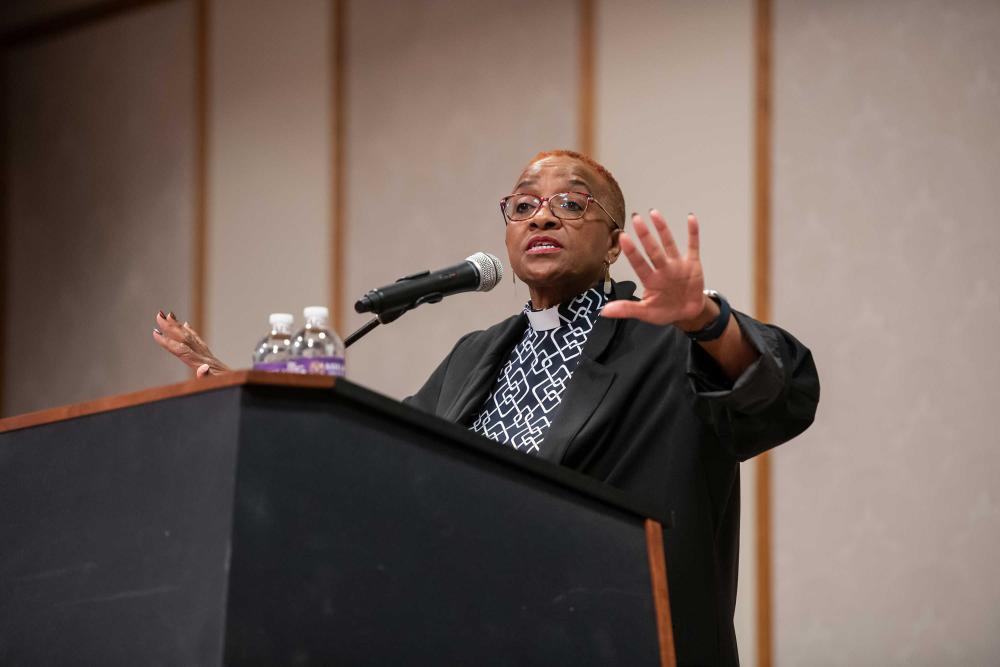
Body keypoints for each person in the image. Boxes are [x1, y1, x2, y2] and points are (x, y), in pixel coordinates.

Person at [153, 149, 819, 666]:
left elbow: (783, 391)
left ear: (615, 243)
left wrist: (707, 322)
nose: (542, 217)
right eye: (523, 205)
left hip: (619, 643)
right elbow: (375, 462)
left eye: (571, 203)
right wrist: (243, 394)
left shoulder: (664, 339)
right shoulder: (475, 355)